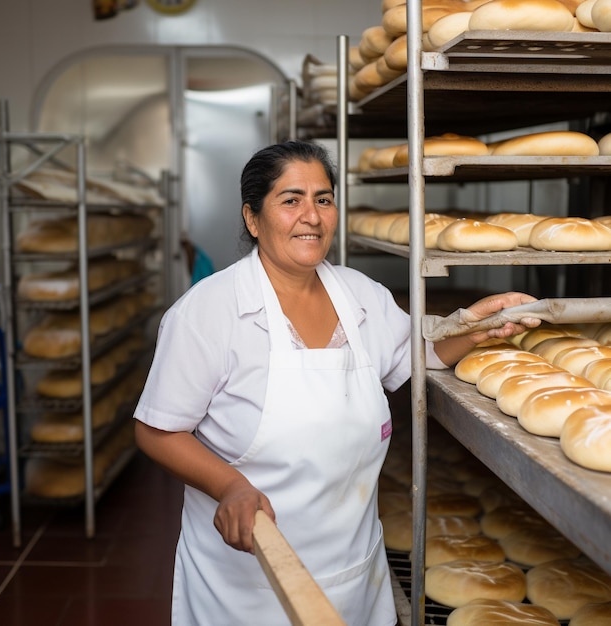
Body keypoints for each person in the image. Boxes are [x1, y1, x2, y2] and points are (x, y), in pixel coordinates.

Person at [133, 140, 541, 626]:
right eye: (291, 200)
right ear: (252, 218)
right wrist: (230, 486)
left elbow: (419, 357)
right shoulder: (209, 312)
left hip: (351, 573)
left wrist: (473, 325)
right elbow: (158, 430)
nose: (311, 216)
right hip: (247, 582)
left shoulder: (360, 295)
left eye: (323, 199)